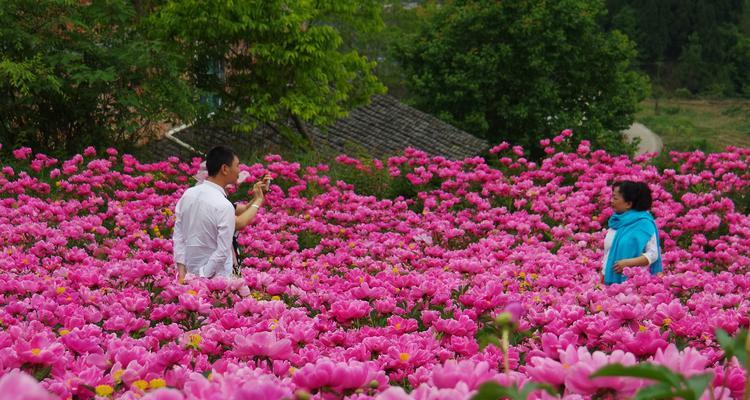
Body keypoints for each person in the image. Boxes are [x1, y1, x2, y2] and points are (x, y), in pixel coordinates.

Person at [172, 146, 270, 283]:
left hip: (188, 275)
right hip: (216, 282)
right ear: (224, 169)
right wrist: (203, 276)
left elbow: (179, 236)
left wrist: (182, 272)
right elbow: (223, 251)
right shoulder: (222, 205)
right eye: (237, 165)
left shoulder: (188, 194)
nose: (239, 170)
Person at [601, 180, 663, 285]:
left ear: (628, 204)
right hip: (610, 282)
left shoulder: (644, 224)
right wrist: (602, 275)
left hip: (635, 283)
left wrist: (628, 263)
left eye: (615, 198)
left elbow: (653, 254)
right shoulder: (616, 223)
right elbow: (608, 254)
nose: (611, 201)